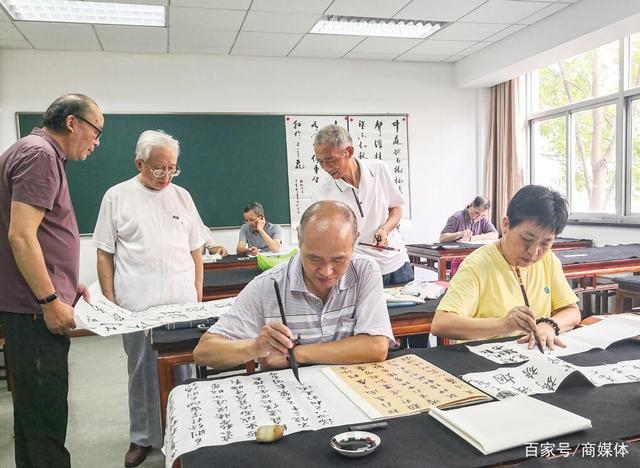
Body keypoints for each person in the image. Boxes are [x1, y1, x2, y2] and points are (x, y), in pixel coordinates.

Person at [93, 130, 208, 467]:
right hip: (137, 305)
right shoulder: (117, 197)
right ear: (139, 163)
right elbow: (104, 253)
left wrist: (197, 292)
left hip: (181, 302)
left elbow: (196, 250)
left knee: (184, 368)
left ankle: (184, 433)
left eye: (172, 168)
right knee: (141, 371)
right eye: (159, 168)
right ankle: (141, 437)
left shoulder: (182, 197)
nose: (166, 175)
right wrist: (110, 301)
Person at [0, 94, 103, 468]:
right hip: (34, 311)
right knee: (46, 418)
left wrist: (65, 283)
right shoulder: (40, 155)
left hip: (30, 304)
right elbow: (21, 235)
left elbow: (38, 235)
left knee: (32, 418)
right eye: (96, 131)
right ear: (72, 123)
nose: (96, 142)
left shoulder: (31, 150)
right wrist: (48, 299)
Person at [193, 200, 394, 371]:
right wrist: (254, 347)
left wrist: (295, 354)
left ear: (354, 241)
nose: (326, 271)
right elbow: (204, 352)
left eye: (338, 260)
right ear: (299, 239)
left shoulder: (364, 271)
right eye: (314, 259)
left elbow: (376, 346)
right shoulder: (269, 285)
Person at [431, 185, 581, 350]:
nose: (534, 252)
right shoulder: (477, 265)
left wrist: (549, 325)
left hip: (533, 356)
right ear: (506, 225)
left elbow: (572, 311)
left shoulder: (548, 260)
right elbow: (441, 323)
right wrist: (503, 325)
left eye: (546, 243)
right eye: (527, 239)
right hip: (487, 359)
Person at [311, 124, 413, 287]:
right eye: (320, 162)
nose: (325, 168)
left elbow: (396, 208)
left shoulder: (378, 169)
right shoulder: (322, 193)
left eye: (330, 160)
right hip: (359, 270)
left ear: (349, 152)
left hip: (396, 263)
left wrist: (385, 230)